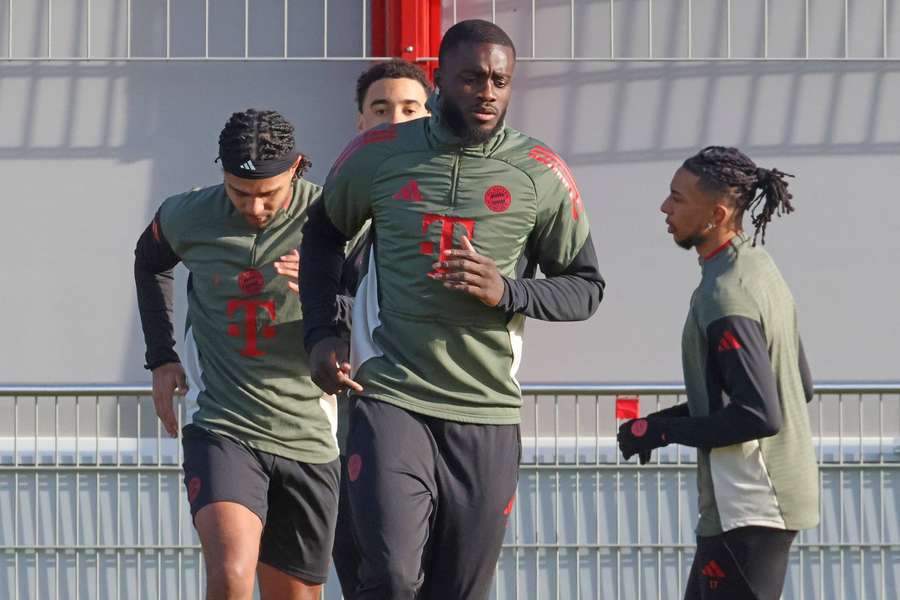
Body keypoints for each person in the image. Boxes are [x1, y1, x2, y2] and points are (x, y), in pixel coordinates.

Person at [299, 19, 605, 600]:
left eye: (499, 81)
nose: (487, 92)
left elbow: (585, 288)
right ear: (440, 79)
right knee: (390, 576)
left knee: (458, 591)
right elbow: (322, 235)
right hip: (392, 395)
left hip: (485, 411)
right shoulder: (378, 154)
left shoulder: (540, 172)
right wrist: (321, 332)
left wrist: (508, 291)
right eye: (471, 78)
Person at [134, 109, 339, 600]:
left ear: (296, 168)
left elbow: (378, 293)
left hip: (309, 434)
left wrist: (327, 288)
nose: (255, 207)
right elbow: (149, 262)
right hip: (223, 425)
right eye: (239, 193)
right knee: (230, 574)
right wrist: (161, 356)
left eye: (269, 194)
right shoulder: (187, 215)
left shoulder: (332, 218)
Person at [617, 146, 819, 600]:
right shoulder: (758, 267)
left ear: (717, 215)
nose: (664, 208)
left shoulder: (726, 293)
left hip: (749, 502)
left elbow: (759, 413)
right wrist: (656, 426)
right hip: (759, 502)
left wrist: (664, 432)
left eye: (677, 198)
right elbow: (796, 386)